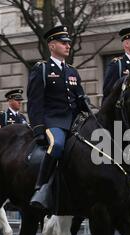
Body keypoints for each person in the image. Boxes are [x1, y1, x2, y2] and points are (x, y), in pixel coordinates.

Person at [27, 25, 90, 211]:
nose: (68, 46)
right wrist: (38, 129)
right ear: (52, 45)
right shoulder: (42, 69)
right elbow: (35, 102)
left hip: (74, 122)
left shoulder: (72, 72)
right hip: (53, 121)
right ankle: (42, 187)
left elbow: (80, 101)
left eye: (68, 43)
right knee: (58, 145)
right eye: (63, 43)